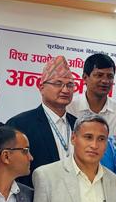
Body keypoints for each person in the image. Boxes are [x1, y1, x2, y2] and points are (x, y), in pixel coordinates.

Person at [5, 56, 78, 189]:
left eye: (70, 85)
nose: (65, 90)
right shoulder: (20, 124)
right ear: (41, 87)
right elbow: (11, 170)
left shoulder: (78, 125)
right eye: (58, 84)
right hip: (34, 196)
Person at [69, 52, 116, 123]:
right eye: (99, 75)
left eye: (110, 76)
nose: (105, 81)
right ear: (85, 77)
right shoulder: (69, 107)